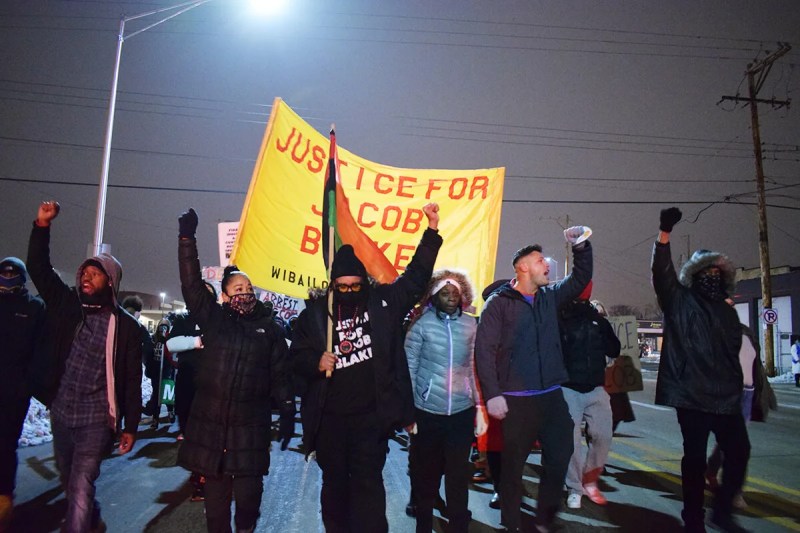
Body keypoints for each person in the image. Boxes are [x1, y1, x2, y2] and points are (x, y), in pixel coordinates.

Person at [291, 202, 442, 533]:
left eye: (354, 285)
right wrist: (315, 361)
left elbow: (416, 279)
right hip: (329, 420)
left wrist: (431, 232)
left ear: (364, 282)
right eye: (342, 286)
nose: (348, 291)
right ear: (332, 285)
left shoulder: (383, 305)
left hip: (370, 419)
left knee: (369, 488)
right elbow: (294, 359)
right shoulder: (315, 315)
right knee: (334, 488)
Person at [26, 200, 143, 532]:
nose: (86, 277)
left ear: (110, 282)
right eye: (84, 272)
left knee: (80, 485)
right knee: (69, 481)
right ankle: (90, 519)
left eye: (95, 273)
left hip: (95, 419)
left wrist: (130, 425)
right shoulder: (67, 305)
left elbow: (132, 380)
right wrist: (42, 226)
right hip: (62, 412)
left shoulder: (126, 328)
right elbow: (38, 268)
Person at [176, 208, 292, 533]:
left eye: (248, 288)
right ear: (225, 296)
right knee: (215, 510)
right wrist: (187, 239)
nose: (244, 293)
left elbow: (280, 375)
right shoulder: (214, 320)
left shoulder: (269, 329)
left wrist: (285, 410)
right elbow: (191, 284)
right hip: (211, 429)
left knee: (249, 501)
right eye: (237, 289)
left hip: (250, 430)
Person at [476, 226, 592, 533]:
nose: (547, 265)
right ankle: (512, 523)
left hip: (552, 395)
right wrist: (493, 395)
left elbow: (580, 279)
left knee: (561, 454)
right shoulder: (499, 304)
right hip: (517, 399)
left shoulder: (549, 297)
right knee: (513, 468)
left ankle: (544, 517)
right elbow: (484, 352)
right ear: (523, 267)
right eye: (540, 260)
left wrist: (579, 246)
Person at [652, 207, 750, 533]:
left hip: (725, 397)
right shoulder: (679, 300)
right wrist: (664, 234)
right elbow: (661, 272)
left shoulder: (727, 312)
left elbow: (733, 351)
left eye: (718, 272)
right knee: (693, 460)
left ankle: (721, 512)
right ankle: (693, 519)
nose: (713, 276)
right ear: (694, 275)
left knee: (739, 452)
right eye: (706, 272)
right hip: (692, 396)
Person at [404, 269, 487, 533]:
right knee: (425, 477)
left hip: (461, 413)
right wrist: (409, 414)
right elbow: (409, 370)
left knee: (458, 476)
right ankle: (423, 525)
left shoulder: (471, 325)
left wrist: (480, 409)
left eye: (455, 292)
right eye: (445, 292)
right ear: (433, 296)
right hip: (426, 414)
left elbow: (475, 367)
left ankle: (458, 526)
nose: (451, 297)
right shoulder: (421, 325)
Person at [557, 280, 621, 509]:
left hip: (596, 387)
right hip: (568, 389)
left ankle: (590, 479)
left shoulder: (599, 322)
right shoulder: (560, 319)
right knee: (571, 442)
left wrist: (603, 331)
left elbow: (615, 348)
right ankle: (574, 488)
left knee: (603, 435)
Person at [0, 257, 45, 530]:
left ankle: (4, 497)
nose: (7, 277)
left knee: (5, 444)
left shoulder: (33, 308)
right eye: (3, 272)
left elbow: (39, 351)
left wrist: (27, 384)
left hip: (14, 390)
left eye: (12, 273)